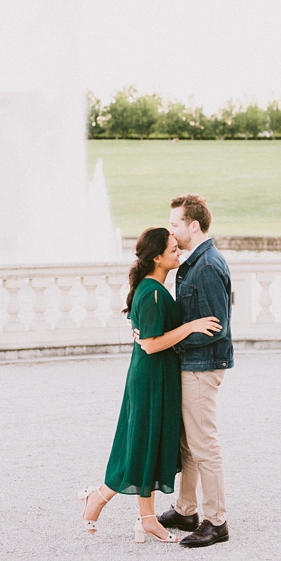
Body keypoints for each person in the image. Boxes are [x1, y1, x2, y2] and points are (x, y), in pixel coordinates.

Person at [76, 227, 221, 543]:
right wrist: (192, 326)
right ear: (157, 257)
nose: (178, 252)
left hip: (155, 375)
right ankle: (100, 498)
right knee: (141, 443)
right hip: (151, 376)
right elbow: (152, 345)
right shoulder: (153, 292)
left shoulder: (152, 288)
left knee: (147, 442)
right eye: (172, 250)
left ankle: (146, 517)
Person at [156, 193, 234, 548]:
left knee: (204, 445)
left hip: (203, 367)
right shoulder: (195, 262)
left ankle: (216, 521)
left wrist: (174, 344)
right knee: (188, 443)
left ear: (193, 225)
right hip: (193, 364)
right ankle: (186, 510)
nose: (171, 232)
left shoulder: (206, 266)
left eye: (175, 225)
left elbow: (216, 326)